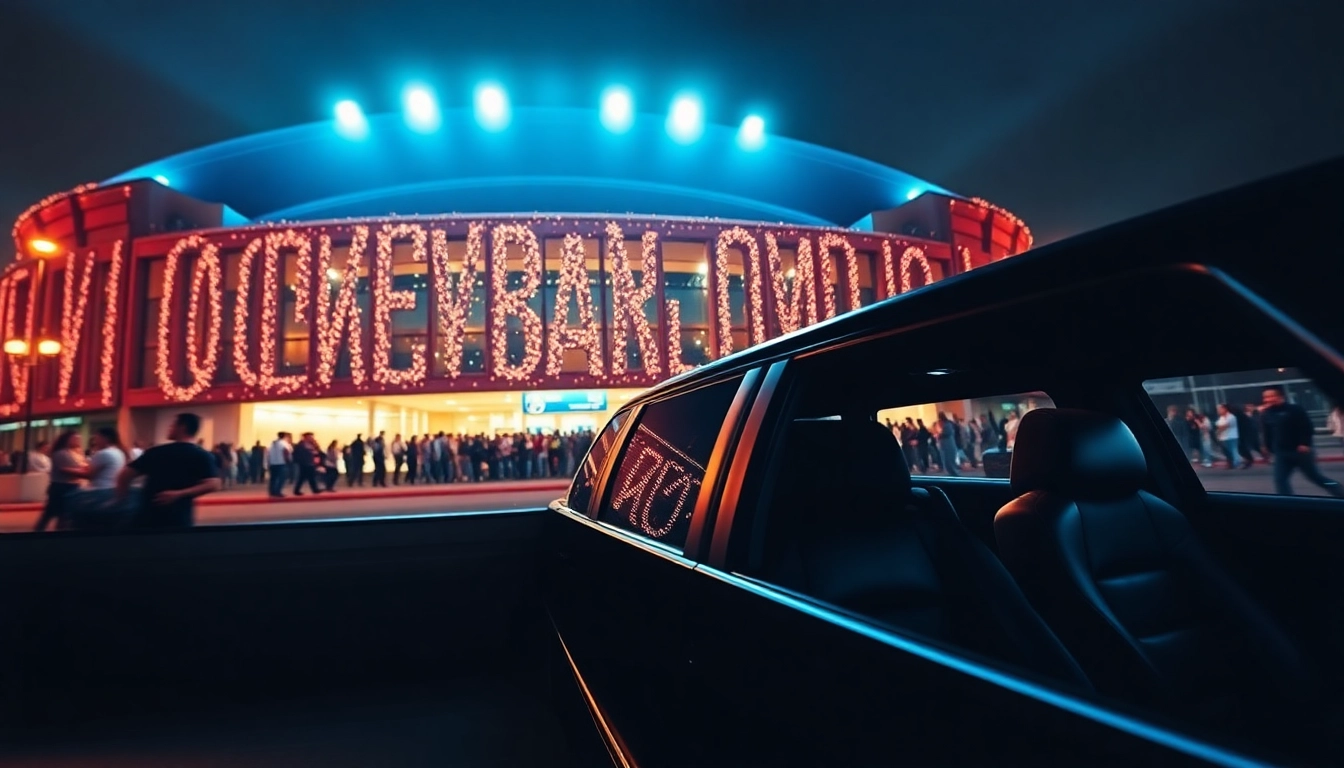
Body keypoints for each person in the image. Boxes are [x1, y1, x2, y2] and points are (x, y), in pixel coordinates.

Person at [116, 413, 220, 528]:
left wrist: (122, 500)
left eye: (172, 425)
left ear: (182, 427)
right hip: (180, 518)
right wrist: (180, 494)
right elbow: (213, 484)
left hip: (149, 516)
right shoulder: (202, 455)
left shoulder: (157, 452)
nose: (169, 428)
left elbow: (124, 475)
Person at [1259, 387, 1344, 498]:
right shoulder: (1267, 413)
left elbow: (1307, 427)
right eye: (1265, 397)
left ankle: (1336, 488)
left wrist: (1305, 443)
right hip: (1281, 452)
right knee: (1280, 480)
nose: (1268, 399)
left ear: (1280, 397)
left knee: (1315, 477)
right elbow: (1267, 432)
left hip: (1300, 451)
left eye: (1271, 396)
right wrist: (1266, 446)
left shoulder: (1294, 409)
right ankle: (1287, 502)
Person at [73, 427, 129, 528]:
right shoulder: (119, 452)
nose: (95, 441)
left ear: (105, 438)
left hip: (99, 491)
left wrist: (67, 470)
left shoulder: (103, 453)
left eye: (97, 438)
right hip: (112, 490)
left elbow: (90, 475)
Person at [34, 431, 89, 532]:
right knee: (52, 514)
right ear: (67, 440)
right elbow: (66, 469)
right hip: (61, 487)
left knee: (62, 515)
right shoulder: (61, 453)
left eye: (78, 439)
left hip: (69, 486)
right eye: (75, 438)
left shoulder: (72, 452)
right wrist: (87, 474)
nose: (78, 441)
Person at [292, 432, 323, 496]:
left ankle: (314, 489)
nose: (311, 438)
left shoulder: (312, 444)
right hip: (304, 463)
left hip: (311, 463)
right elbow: (297, 454)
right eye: (310, 437)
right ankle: (298, 490)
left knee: (310, 477)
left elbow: (317, 451)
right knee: (303, 477)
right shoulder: (301, 445)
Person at [1214, 404, 1244, 470]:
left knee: (1234, 450)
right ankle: (1231, 463)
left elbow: (1225, 426)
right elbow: (1218, 426)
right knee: (1227, 452)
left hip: (1231, 437)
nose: (1218, 411)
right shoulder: (1221, 418)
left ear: (1225, 409)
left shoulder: (1231, 417)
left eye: (1220, 409)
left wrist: (1218, 430)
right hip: (1223, 437)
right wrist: (1219, 431)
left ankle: (1237, 463)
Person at [267, 432, 291, 499]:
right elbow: (286, 452)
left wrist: (269, 462)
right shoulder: (284, 443)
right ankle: (278, 491)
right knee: (282, 478)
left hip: (273, 463)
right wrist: (288, 461)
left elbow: (268, 453)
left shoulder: (273, 443)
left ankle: (272, 492)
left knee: (273, 478)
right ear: (285, 436)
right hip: (282, 463)